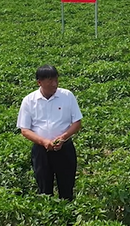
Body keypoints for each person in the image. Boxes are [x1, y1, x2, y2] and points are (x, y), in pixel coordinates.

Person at [17, 65, 82, 200]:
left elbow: (77, 123)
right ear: (39, 82)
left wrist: (63, 138)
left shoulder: (67, 96)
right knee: (44, 191)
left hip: (65, 149)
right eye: (50, 81)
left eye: (56, 80)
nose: (54, 84)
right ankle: (48, 218)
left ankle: (67, 218)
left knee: (67, 189)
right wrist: (44, 142)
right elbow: (24, 130)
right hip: (41, 151)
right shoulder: (29, 101)